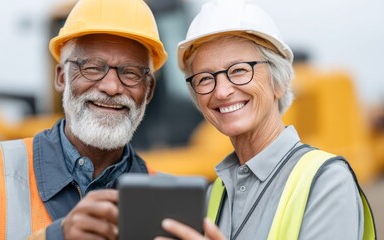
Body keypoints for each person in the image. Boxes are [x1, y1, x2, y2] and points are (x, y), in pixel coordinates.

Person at [155, 0, 376, 239]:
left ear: (278, 82)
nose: (221, 91)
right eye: (206, 78)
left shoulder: (326, 181)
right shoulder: (215, 194)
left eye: (239, 70)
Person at [0, 0, 167, 239]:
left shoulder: (165, 196)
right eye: (92, 67)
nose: (111, 87)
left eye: (130, 72)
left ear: (148, 91)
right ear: (61, 78)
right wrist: (57, 236)